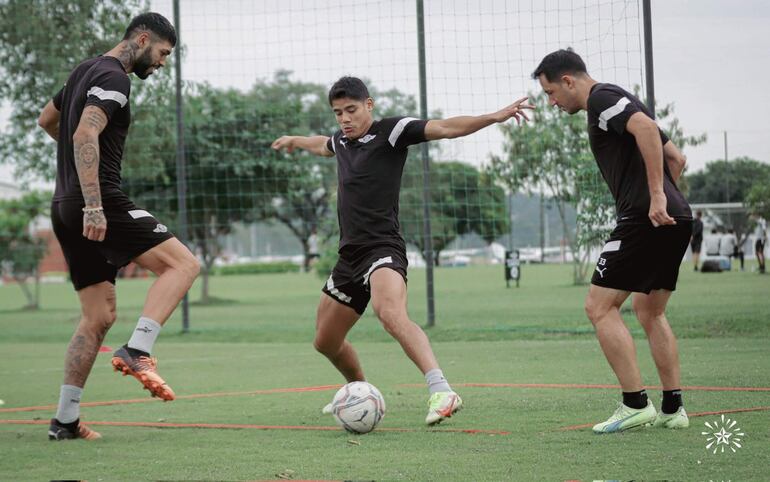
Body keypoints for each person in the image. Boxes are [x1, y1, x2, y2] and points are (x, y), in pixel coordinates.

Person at [272, 76, 533, 425]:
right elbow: (322, 144)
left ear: (369, 104)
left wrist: (494, 116)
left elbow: (445, 128)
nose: (345, 118)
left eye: (351, 110)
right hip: (349, 256)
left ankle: (441, 390)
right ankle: (359, 392)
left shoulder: (391, 132)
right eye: (338, 113)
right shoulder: (341, 141)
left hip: (383, 249)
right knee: (325, 341)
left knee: (390, 313)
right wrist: (294, 141)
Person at [38, 12, 200, 441]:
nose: (163, 63)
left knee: (98, 315)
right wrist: (94, 203)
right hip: (99, 203)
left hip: (63, 205)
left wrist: (78, 184)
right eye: (163, 53)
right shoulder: (115, 77)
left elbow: (47, 120)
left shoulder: (82, 72)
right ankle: (138, 349)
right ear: (142, 39)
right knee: (183, 265)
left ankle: (65, 420)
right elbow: (85, 133)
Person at [533, 49, 692, 433]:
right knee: (650, 312)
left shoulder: (600, 99)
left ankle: (635, 403)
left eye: (552, 93)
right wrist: (667, 199)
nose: (552, 103)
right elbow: (678, 158)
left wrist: (655, 196)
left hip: (644, 218)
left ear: (569, 81)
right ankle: (673, 408)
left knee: (599, 307)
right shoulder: (619, 100)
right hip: (677, 217)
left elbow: (648, 131)